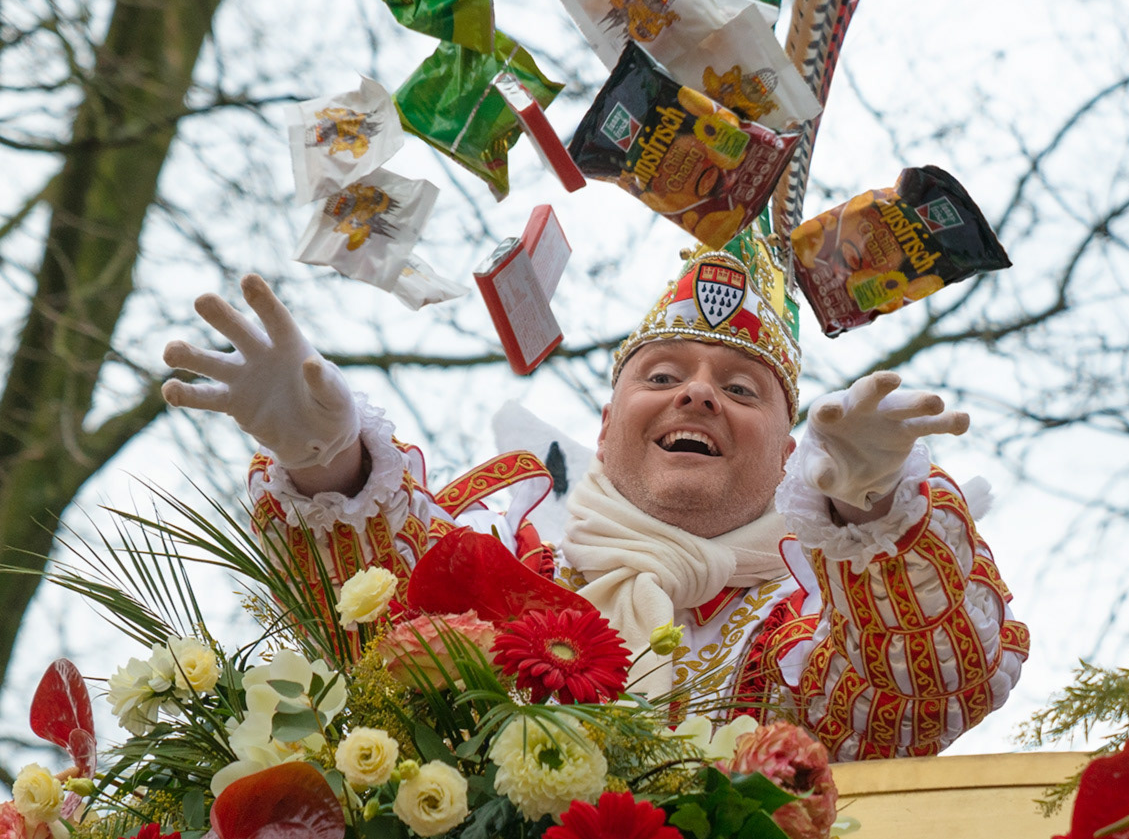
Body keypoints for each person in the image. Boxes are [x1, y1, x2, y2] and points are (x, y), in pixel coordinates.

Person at [161, 247, 1027, 761]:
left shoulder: (810, 611)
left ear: (790, 458)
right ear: (607, 427)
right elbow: (369, 634)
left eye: (741, 390)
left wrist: (874, 505)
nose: (698, 395)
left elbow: (915, 701)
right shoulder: (509, 544)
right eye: (664, 375)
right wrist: (325, 459)